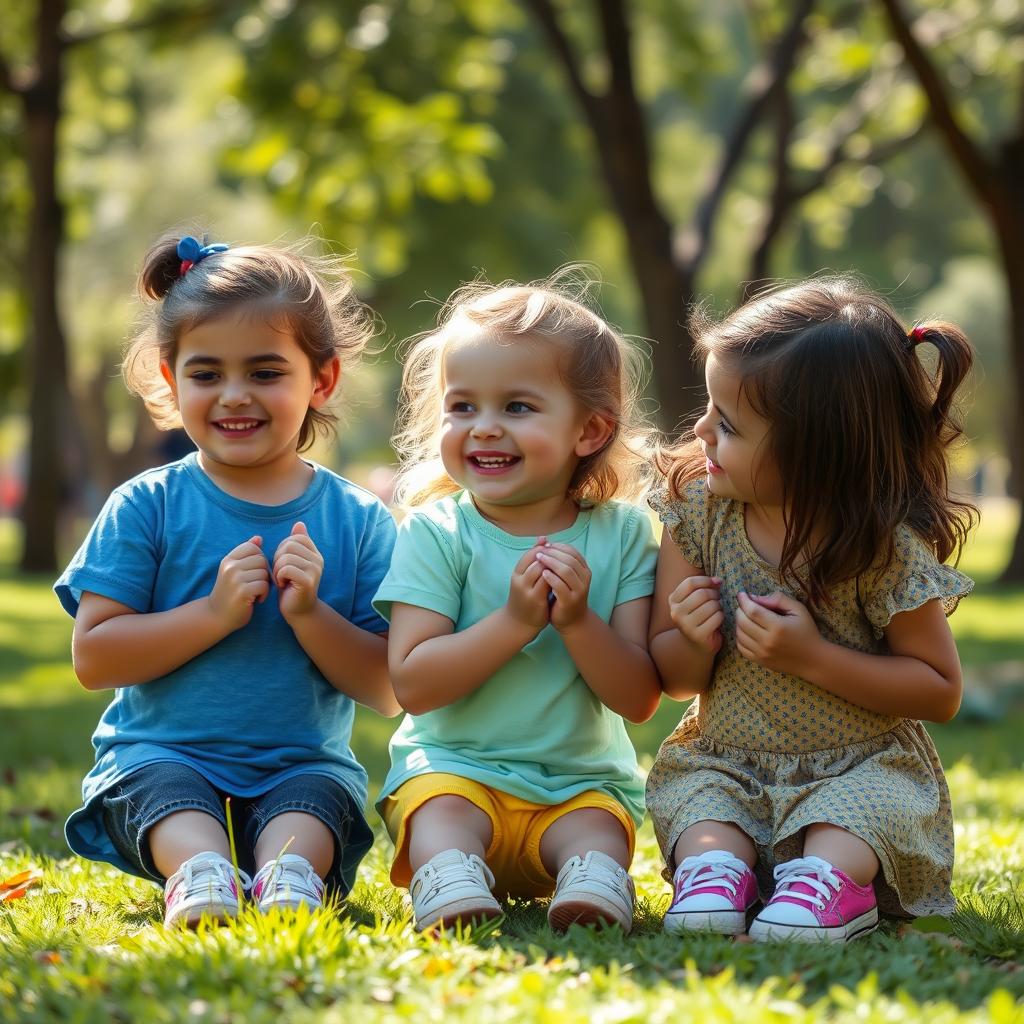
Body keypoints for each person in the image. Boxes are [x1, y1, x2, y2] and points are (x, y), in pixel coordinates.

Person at [55, 233, 400, 928]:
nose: (233, 395)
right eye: (207, 373)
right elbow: (95, 658)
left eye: (266, 373)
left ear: (321, 380)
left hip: (301, 765)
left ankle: (288, 875)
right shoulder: (146, 506)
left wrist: (309, 616)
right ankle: (201, 872)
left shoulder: (358, 519)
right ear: (170, 375)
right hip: (161, 756)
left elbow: (386, 689)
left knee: (311, 805)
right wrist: (211, 614)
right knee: (174, 796)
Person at [646, 276, 976, 943]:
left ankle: (825, 884)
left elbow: (939, 691)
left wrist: (814, 657)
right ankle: (716, 870)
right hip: (728, 762)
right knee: (705, 810)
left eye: (728, 423)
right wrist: (690, 636)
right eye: (708, 407)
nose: (701, 431)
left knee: (853, 818)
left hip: (858, 768)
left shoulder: (878, 548)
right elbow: (676, 678)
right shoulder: (699, 516)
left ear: (816, 451)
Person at [373, 273, 661, 933]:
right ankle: (449, 877)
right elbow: (414, 683)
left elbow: (638, 698)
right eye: (463, 407)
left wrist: (579, 621)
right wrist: (514, 622)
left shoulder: (620, 535)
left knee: (595, 829)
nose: (484, 430)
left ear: (588, 431)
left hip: (578, 784)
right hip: (453, 773)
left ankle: (590, 880)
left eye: (518, 408)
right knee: (442, 815)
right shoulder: (437, 532)